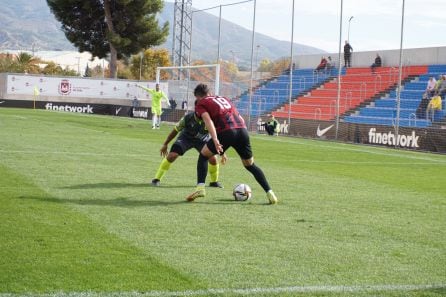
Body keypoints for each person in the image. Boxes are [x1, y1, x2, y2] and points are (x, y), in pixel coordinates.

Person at [186, 83, 278, 205]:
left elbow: (208, 121)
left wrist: (215, 139)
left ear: (198, 97)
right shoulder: (223, 99)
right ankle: (270, 193)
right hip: (242, 130)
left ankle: (200, 189)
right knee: (250, 165)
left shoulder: (202, 103)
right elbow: (236, 115)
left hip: (226, 131)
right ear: (209, 92)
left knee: (204, 155)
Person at [151, 110, 225, 187]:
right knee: (172, 155)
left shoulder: (211, 119)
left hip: (202, 140)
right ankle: (156, 179)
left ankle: (214, 182)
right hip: (186, 138)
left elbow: (218, 134)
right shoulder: (187, 118)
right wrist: (165, 144)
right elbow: (175, 130)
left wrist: (222, 152)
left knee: (213, 159)